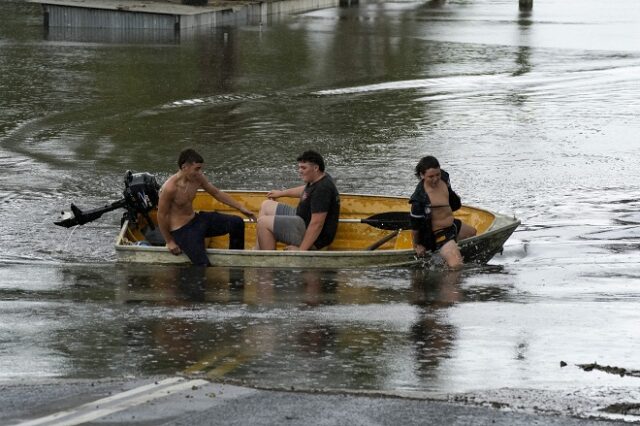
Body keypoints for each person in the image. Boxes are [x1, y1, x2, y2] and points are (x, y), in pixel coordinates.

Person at [157, 148, 256, 266]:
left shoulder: (197, 178)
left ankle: (235, 263)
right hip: (181, 230)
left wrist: (241, 207)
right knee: (202, 264)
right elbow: (161, 215)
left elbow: (216, 193)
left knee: (237, 223)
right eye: (197, 169)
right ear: (184, 167)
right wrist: (169, 241)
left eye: (200, 168)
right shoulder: (170, 188)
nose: (200, 172)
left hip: (196, 220)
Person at [255, 150, 340, 251]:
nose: (300, 170)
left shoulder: (322, 189)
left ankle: (268, 262)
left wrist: (301, 251)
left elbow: (317, 224)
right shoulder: (319, 177)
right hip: (301, 218)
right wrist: (281, 193)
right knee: (266, 205)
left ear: (316, 168)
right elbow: (305, 191)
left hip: (313, 238)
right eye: (299, 167)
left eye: (303, 168)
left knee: (263, 223)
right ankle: (258, 249)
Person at [409, 155, 476, 269]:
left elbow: (451, 199)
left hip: (452, 225)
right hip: (438, 234)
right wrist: (417, 245)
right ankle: (448, 278)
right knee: (457, 266)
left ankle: (445, 257)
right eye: (431, 176)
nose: (435, 179)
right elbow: (415, 227)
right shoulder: (419, 199)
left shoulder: (444, 178)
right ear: (422, 175)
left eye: (437, 174)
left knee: (472, 232)